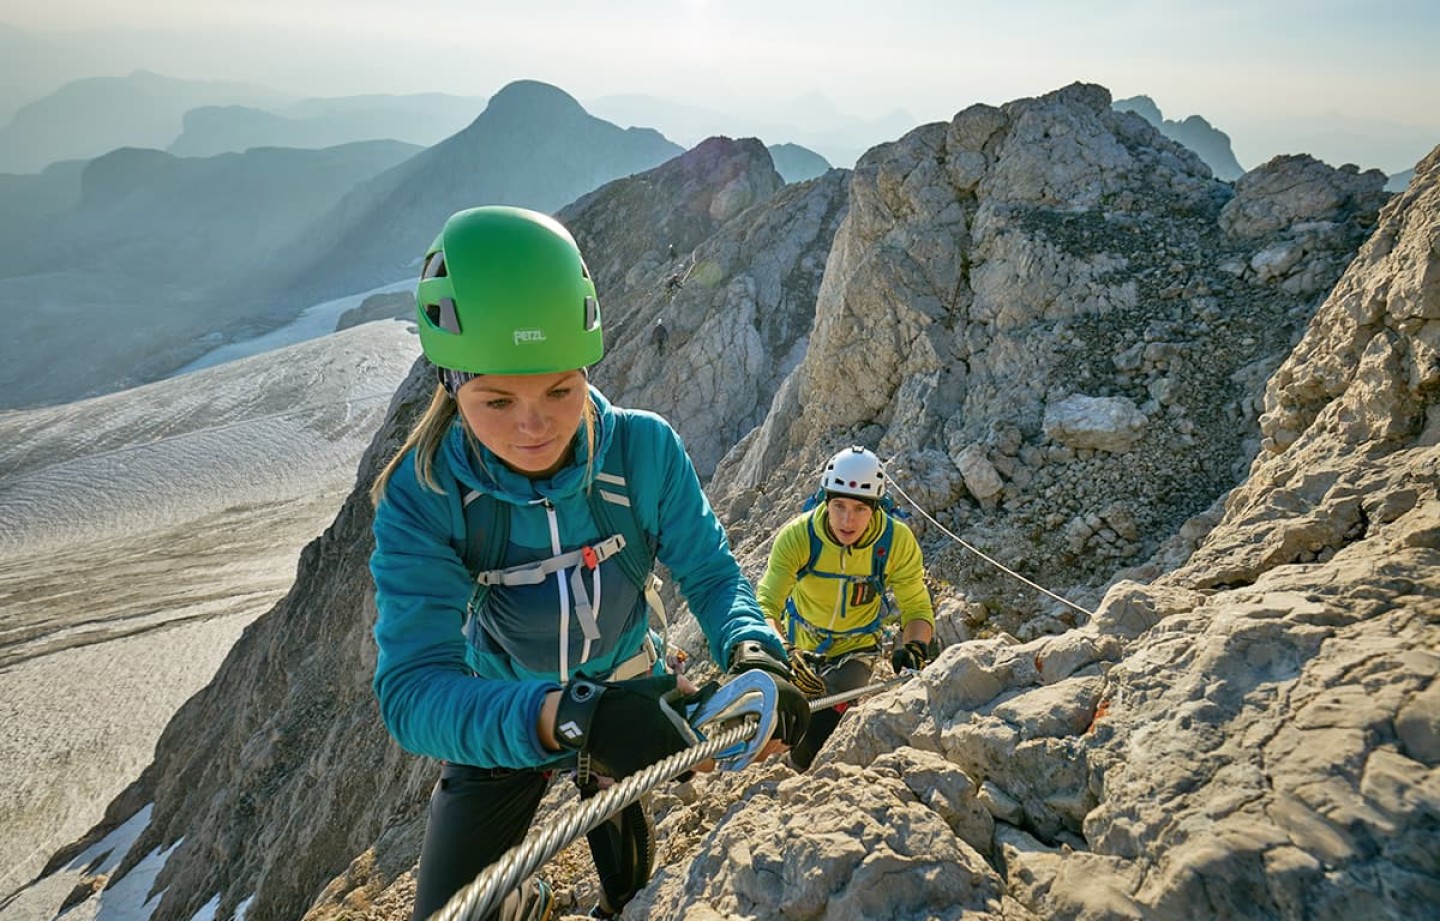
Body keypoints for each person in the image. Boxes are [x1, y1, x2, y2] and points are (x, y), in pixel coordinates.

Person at [369, 206, 808, 921]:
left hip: (627, 692)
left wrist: (756, 649)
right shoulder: (424, 495)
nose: (533, 424)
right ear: (451, 383)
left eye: (559, 390)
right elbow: (413, 692)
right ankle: (523, 900)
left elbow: (711, 573)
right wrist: (572, 715)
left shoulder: (643, 451)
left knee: (631, 889)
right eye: (497, 399)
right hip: (502, 714)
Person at [756, 446, 935, 771]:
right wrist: (783, 651)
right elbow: (766, 604)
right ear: (826, 500)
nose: (847, 520)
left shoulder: (896, 542)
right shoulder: (799, 536)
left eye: (859, 509)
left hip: (856, 649)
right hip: (799, 648)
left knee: (824, 722)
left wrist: (915, 646)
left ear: (876, 508)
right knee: (787, 721)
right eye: (838, 505)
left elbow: (916, 607)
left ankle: (800, 777)